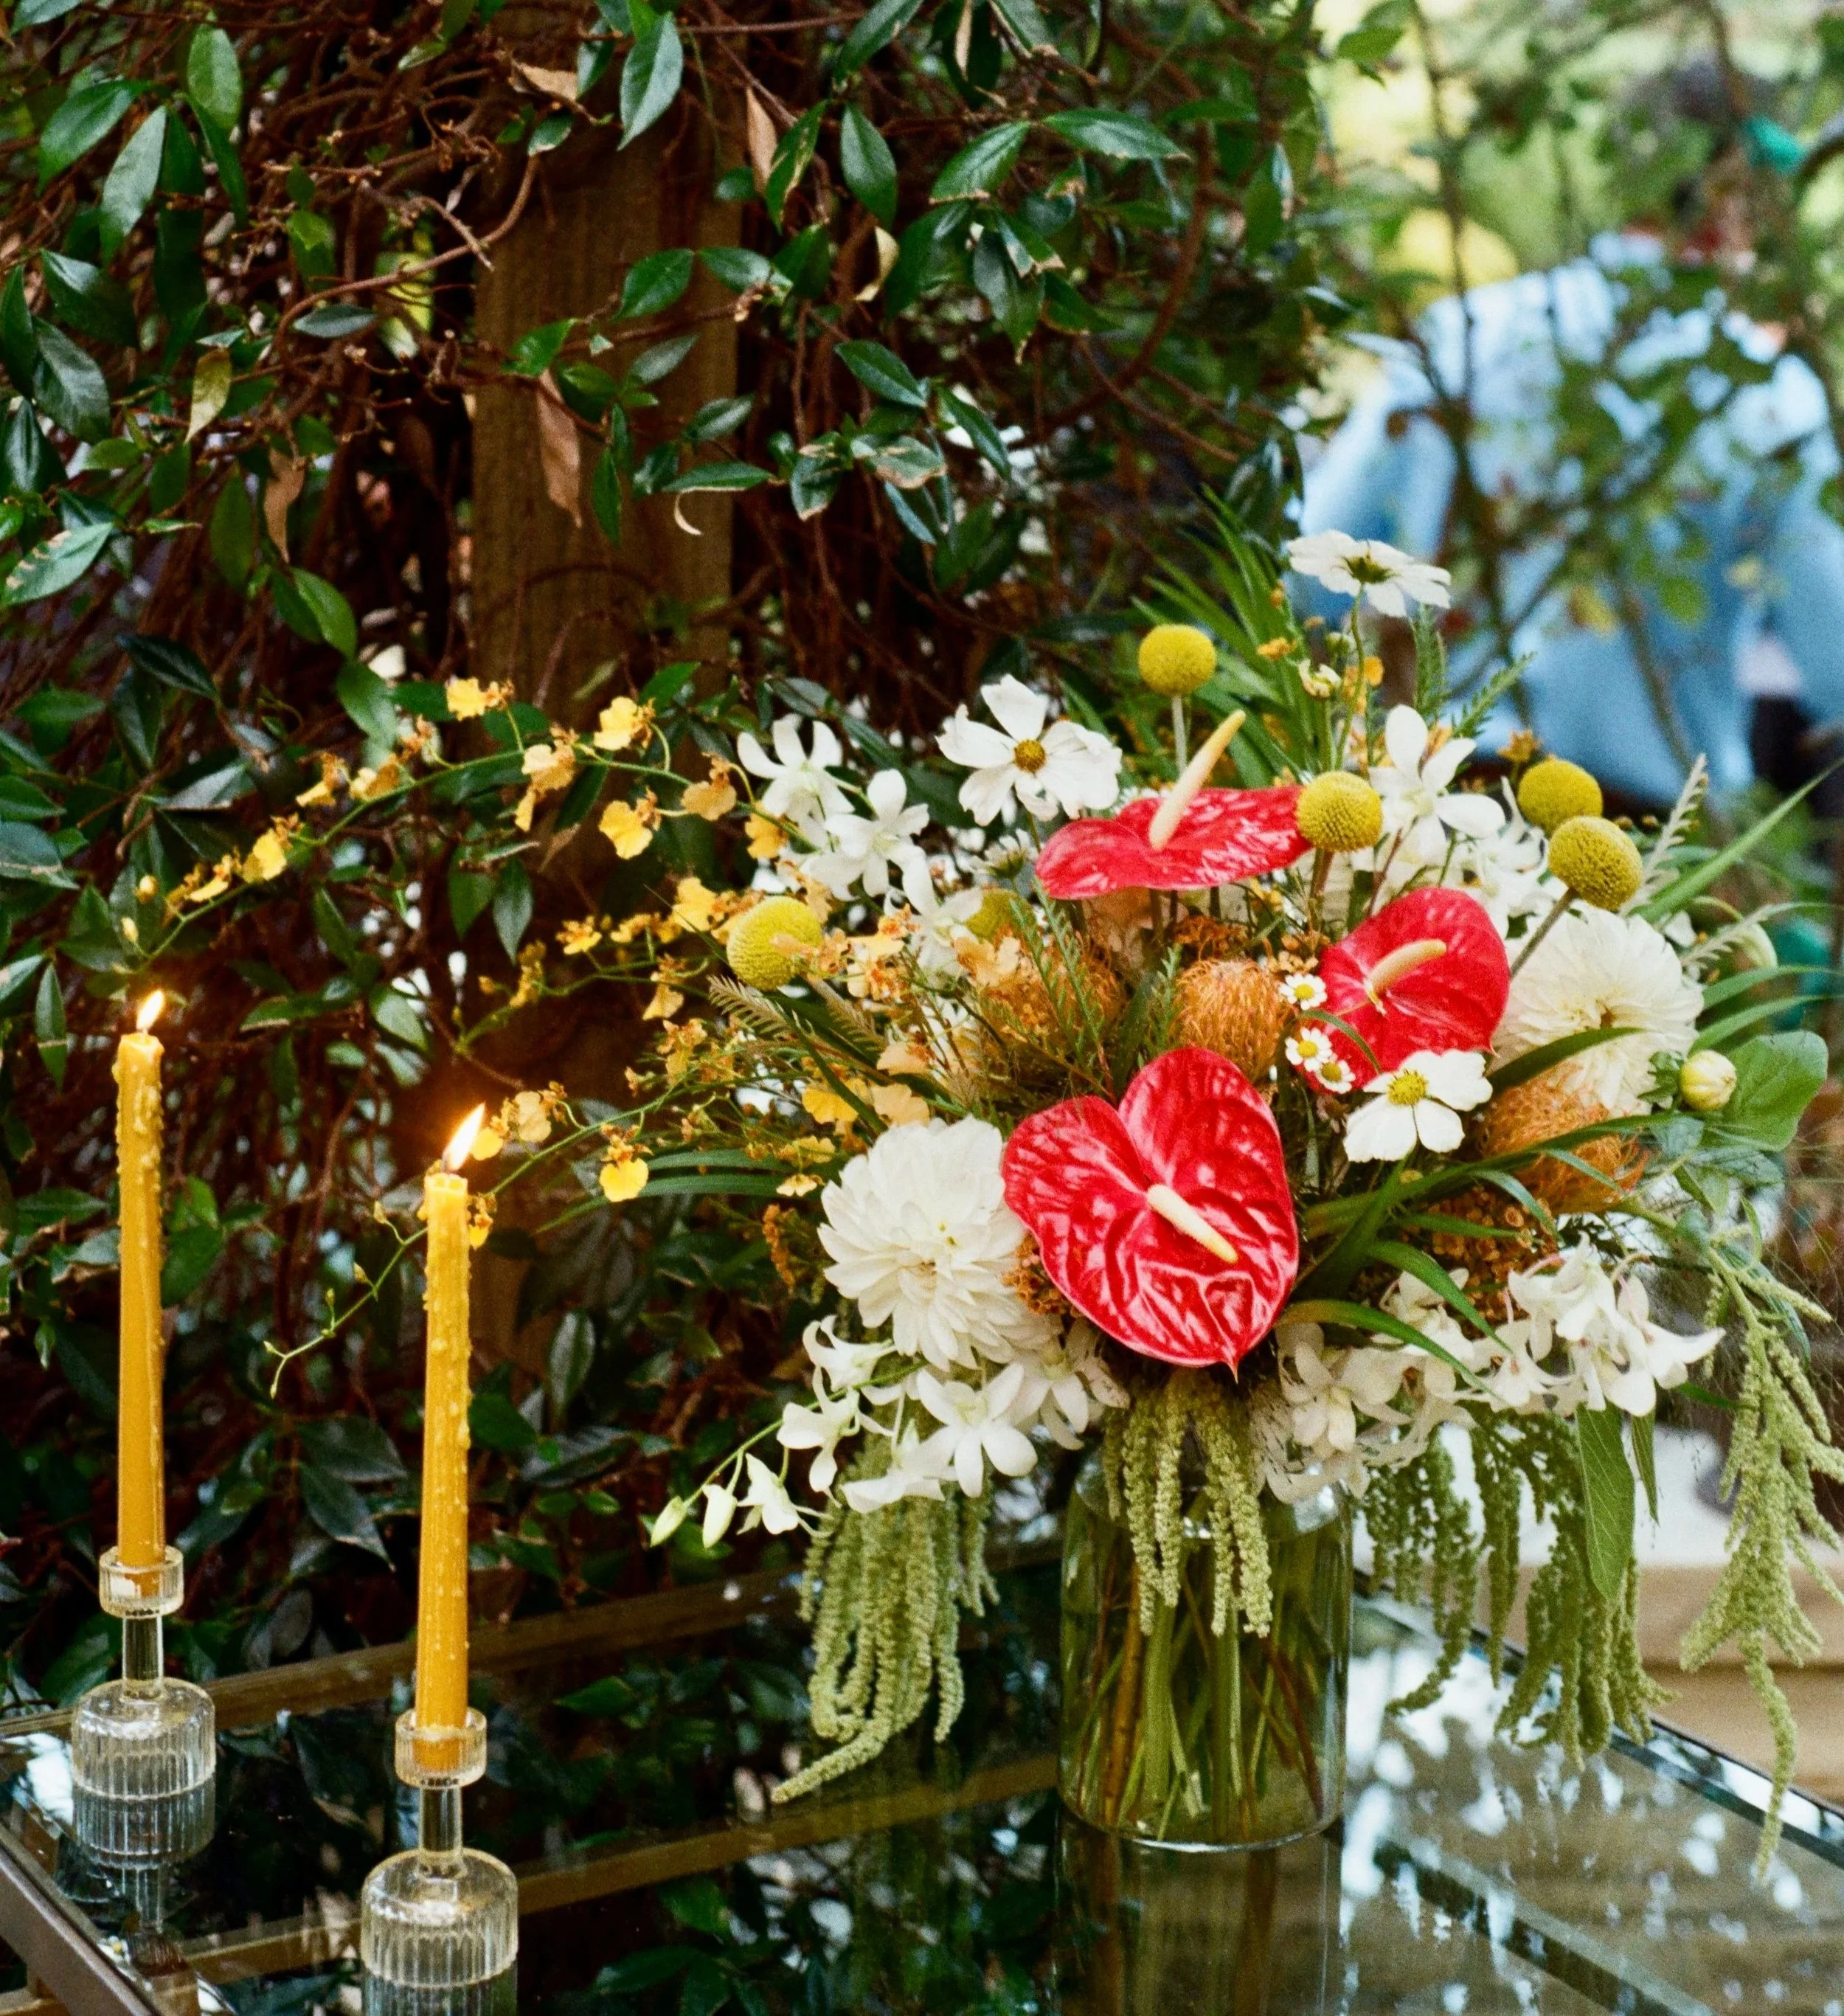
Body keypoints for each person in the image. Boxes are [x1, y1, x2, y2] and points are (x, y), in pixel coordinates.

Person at [1296, 63, 1844, 815]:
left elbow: (1310, 571)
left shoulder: (1464, 334)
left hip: (1424, 810)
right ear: (1738, 200)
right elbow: (1836, 662)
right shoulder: (1769, 400)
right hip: (1631, 853)